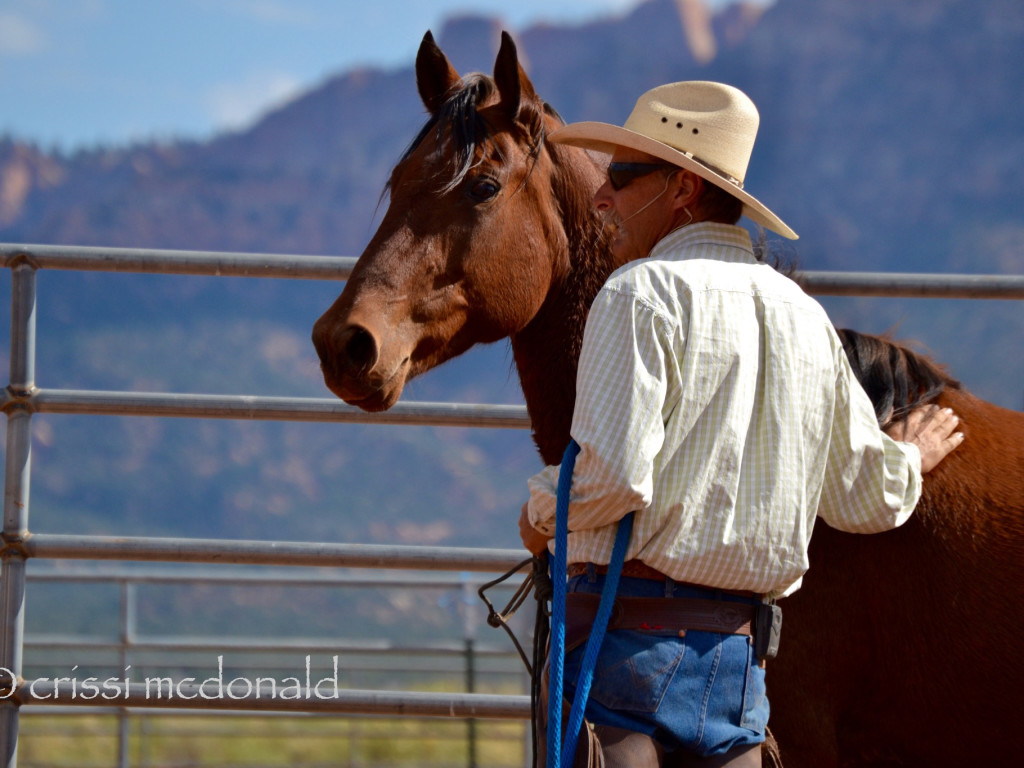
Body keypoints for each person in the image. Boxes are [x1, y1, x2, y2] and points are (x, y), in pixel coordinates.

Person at [517, 81, 963, 768]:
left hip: (623, 664)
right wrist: (910, 456)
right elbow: (864, 497)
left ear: (682, 190)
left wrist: (542, 513)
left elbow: (613, 478)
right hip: (736, 677)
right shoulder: (804, 317)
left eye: (623, 175)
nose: (602, 195)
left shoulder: (640, 294)